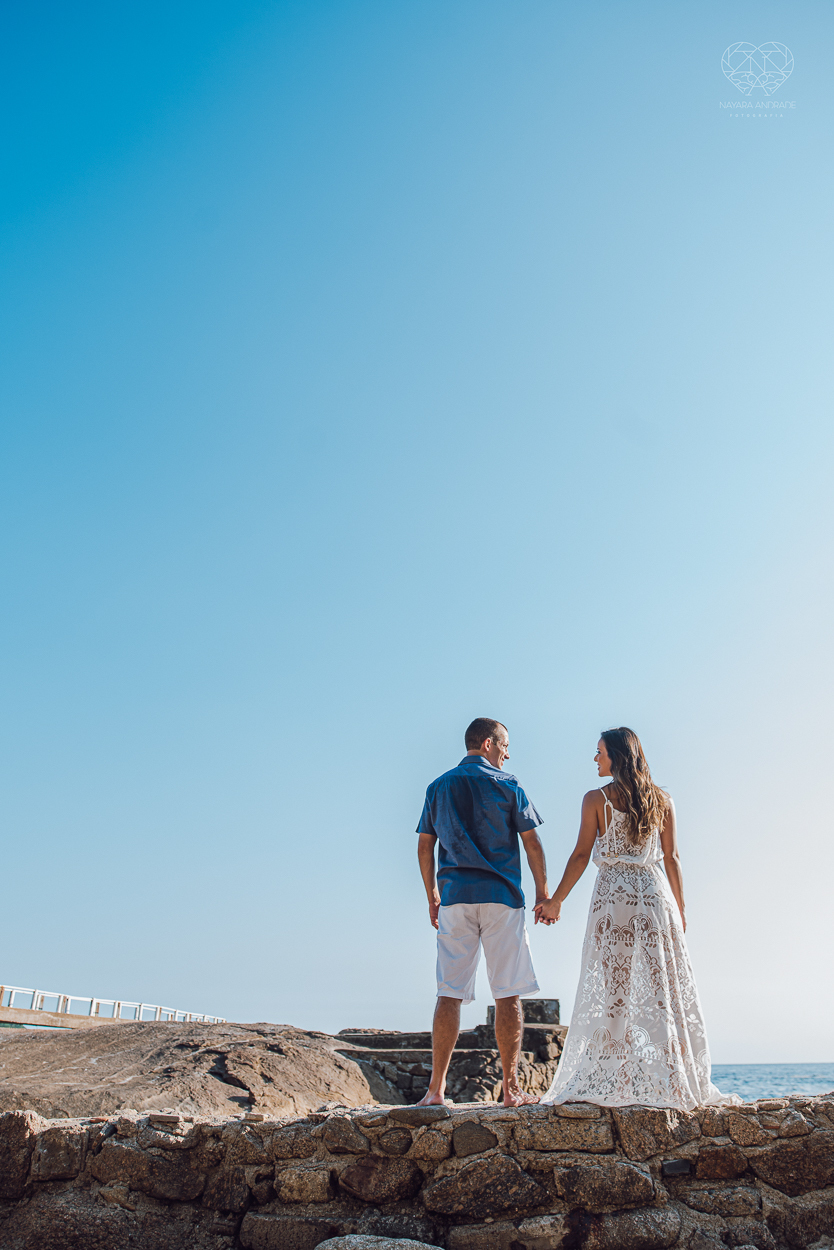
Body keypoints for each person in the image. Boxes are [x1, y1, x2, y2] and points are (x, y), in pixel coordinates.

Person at [537, 727, 736, 1109]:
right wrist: (680, 909)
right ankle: (672, 1080)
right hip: (654, 897)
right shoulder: (663, 799)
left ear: (617, 756)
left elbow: (581, 855)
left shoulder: (596, 799)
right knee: (660, 990)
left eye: (599, 752)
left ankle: (617, 1078)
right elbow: (673, 858)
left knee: (616, 989)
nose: (595, 759)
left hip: (614, 898)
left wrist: (556, 901)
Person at [416, 717, 550, 1107]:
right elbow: (533, 843)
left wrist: (432, 896)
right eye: (505, 745)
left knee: (449, 993)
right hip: (501, 898)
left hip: (455, 898)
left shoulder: (437, 787)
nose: (508, 753)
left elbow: (425, 846)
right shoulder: (509, 785)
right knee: (508, 993)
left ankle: (436, 1091)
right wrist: (543, 893)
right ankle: (511, 1091)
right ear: (489, 743)